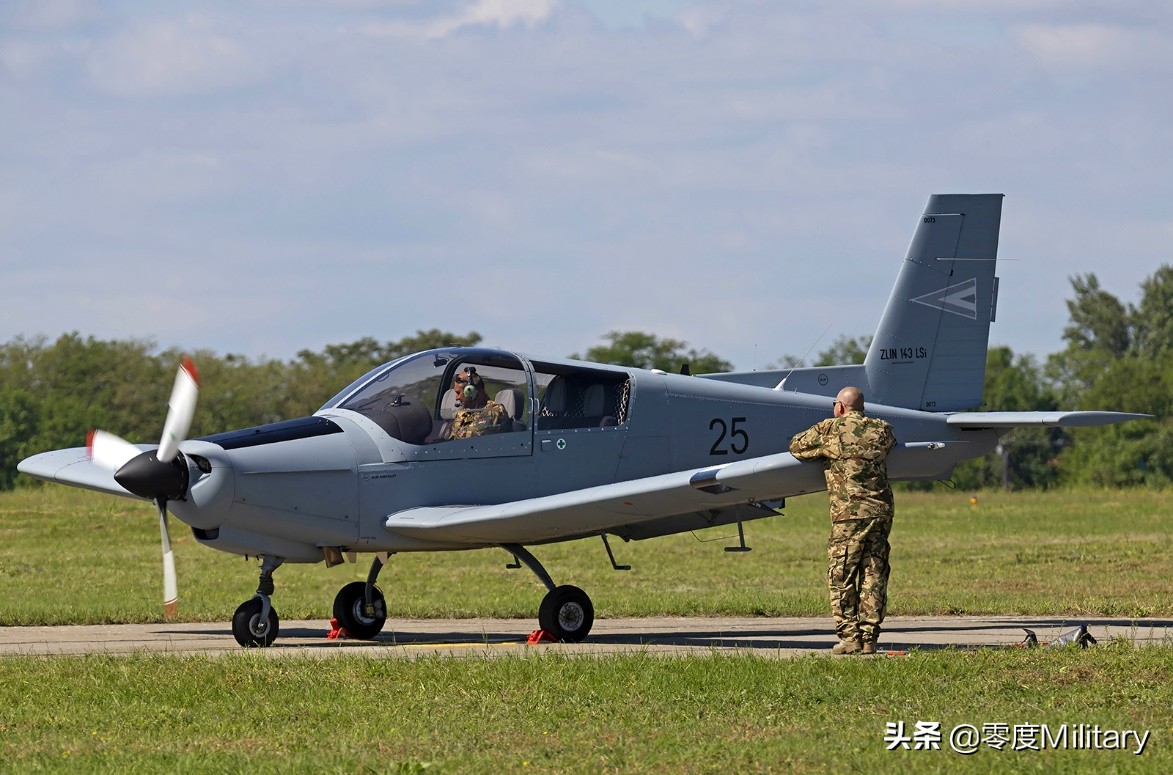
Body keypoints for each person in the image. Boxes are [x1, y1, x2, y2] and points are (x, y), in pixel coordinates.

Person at [789, 386, 896, 655]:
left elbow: (796, 446)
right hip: (881, 512)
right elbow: (890, 444)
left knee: (842, 575)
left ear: (840, 407)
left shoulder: (830, 429)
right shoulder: (882, 429)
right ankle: (870, 639)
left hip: (849, 515)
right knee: (874, 574)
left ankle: (849, 638)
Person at [446, 367, 511, 440]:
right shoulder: (462, 412)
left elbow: (475, 437)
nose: (456, 398)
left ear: (470, 391)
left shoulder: (494, 411)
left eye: (458, 393)